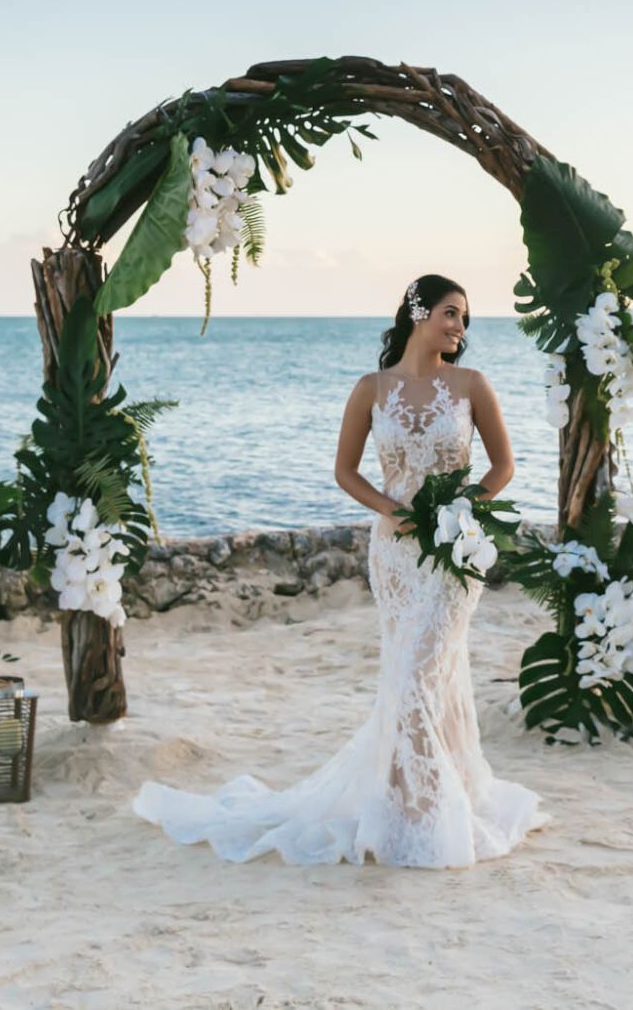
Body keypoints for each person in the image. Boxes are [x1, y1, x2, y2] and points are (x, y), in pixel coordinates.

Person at [130, 273, 550, 867]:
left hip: (456, 551)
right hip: (396, 555)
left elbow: (503, 466)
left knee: (424, 674)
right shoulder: (371, 389)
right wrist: (390, 508)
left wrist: (463, 509)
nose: (459, 327)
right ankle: (411, 806)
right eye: (451, 314)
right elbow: (346, 471)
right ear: (418, 313)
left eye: (464, 319)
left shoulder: (472, 385)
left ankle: (430, 809)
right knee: (409, 674)